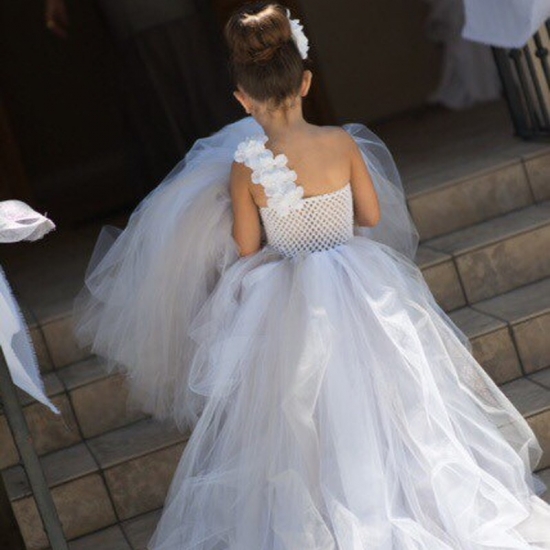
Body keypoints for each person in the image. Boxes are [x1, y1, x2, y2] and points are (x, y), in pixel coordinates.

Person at [73, 3, 550, 548]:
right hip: (360, 283)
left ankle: (326, 510)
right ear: (305, 82)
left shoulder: (246, 165)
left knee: (301, 413)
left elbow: (248, 246)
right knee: (389, 395)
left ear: (242, 99)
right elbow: (370, 216)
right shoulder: (342, 143)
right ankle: (400, 493)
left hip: (286, 296)